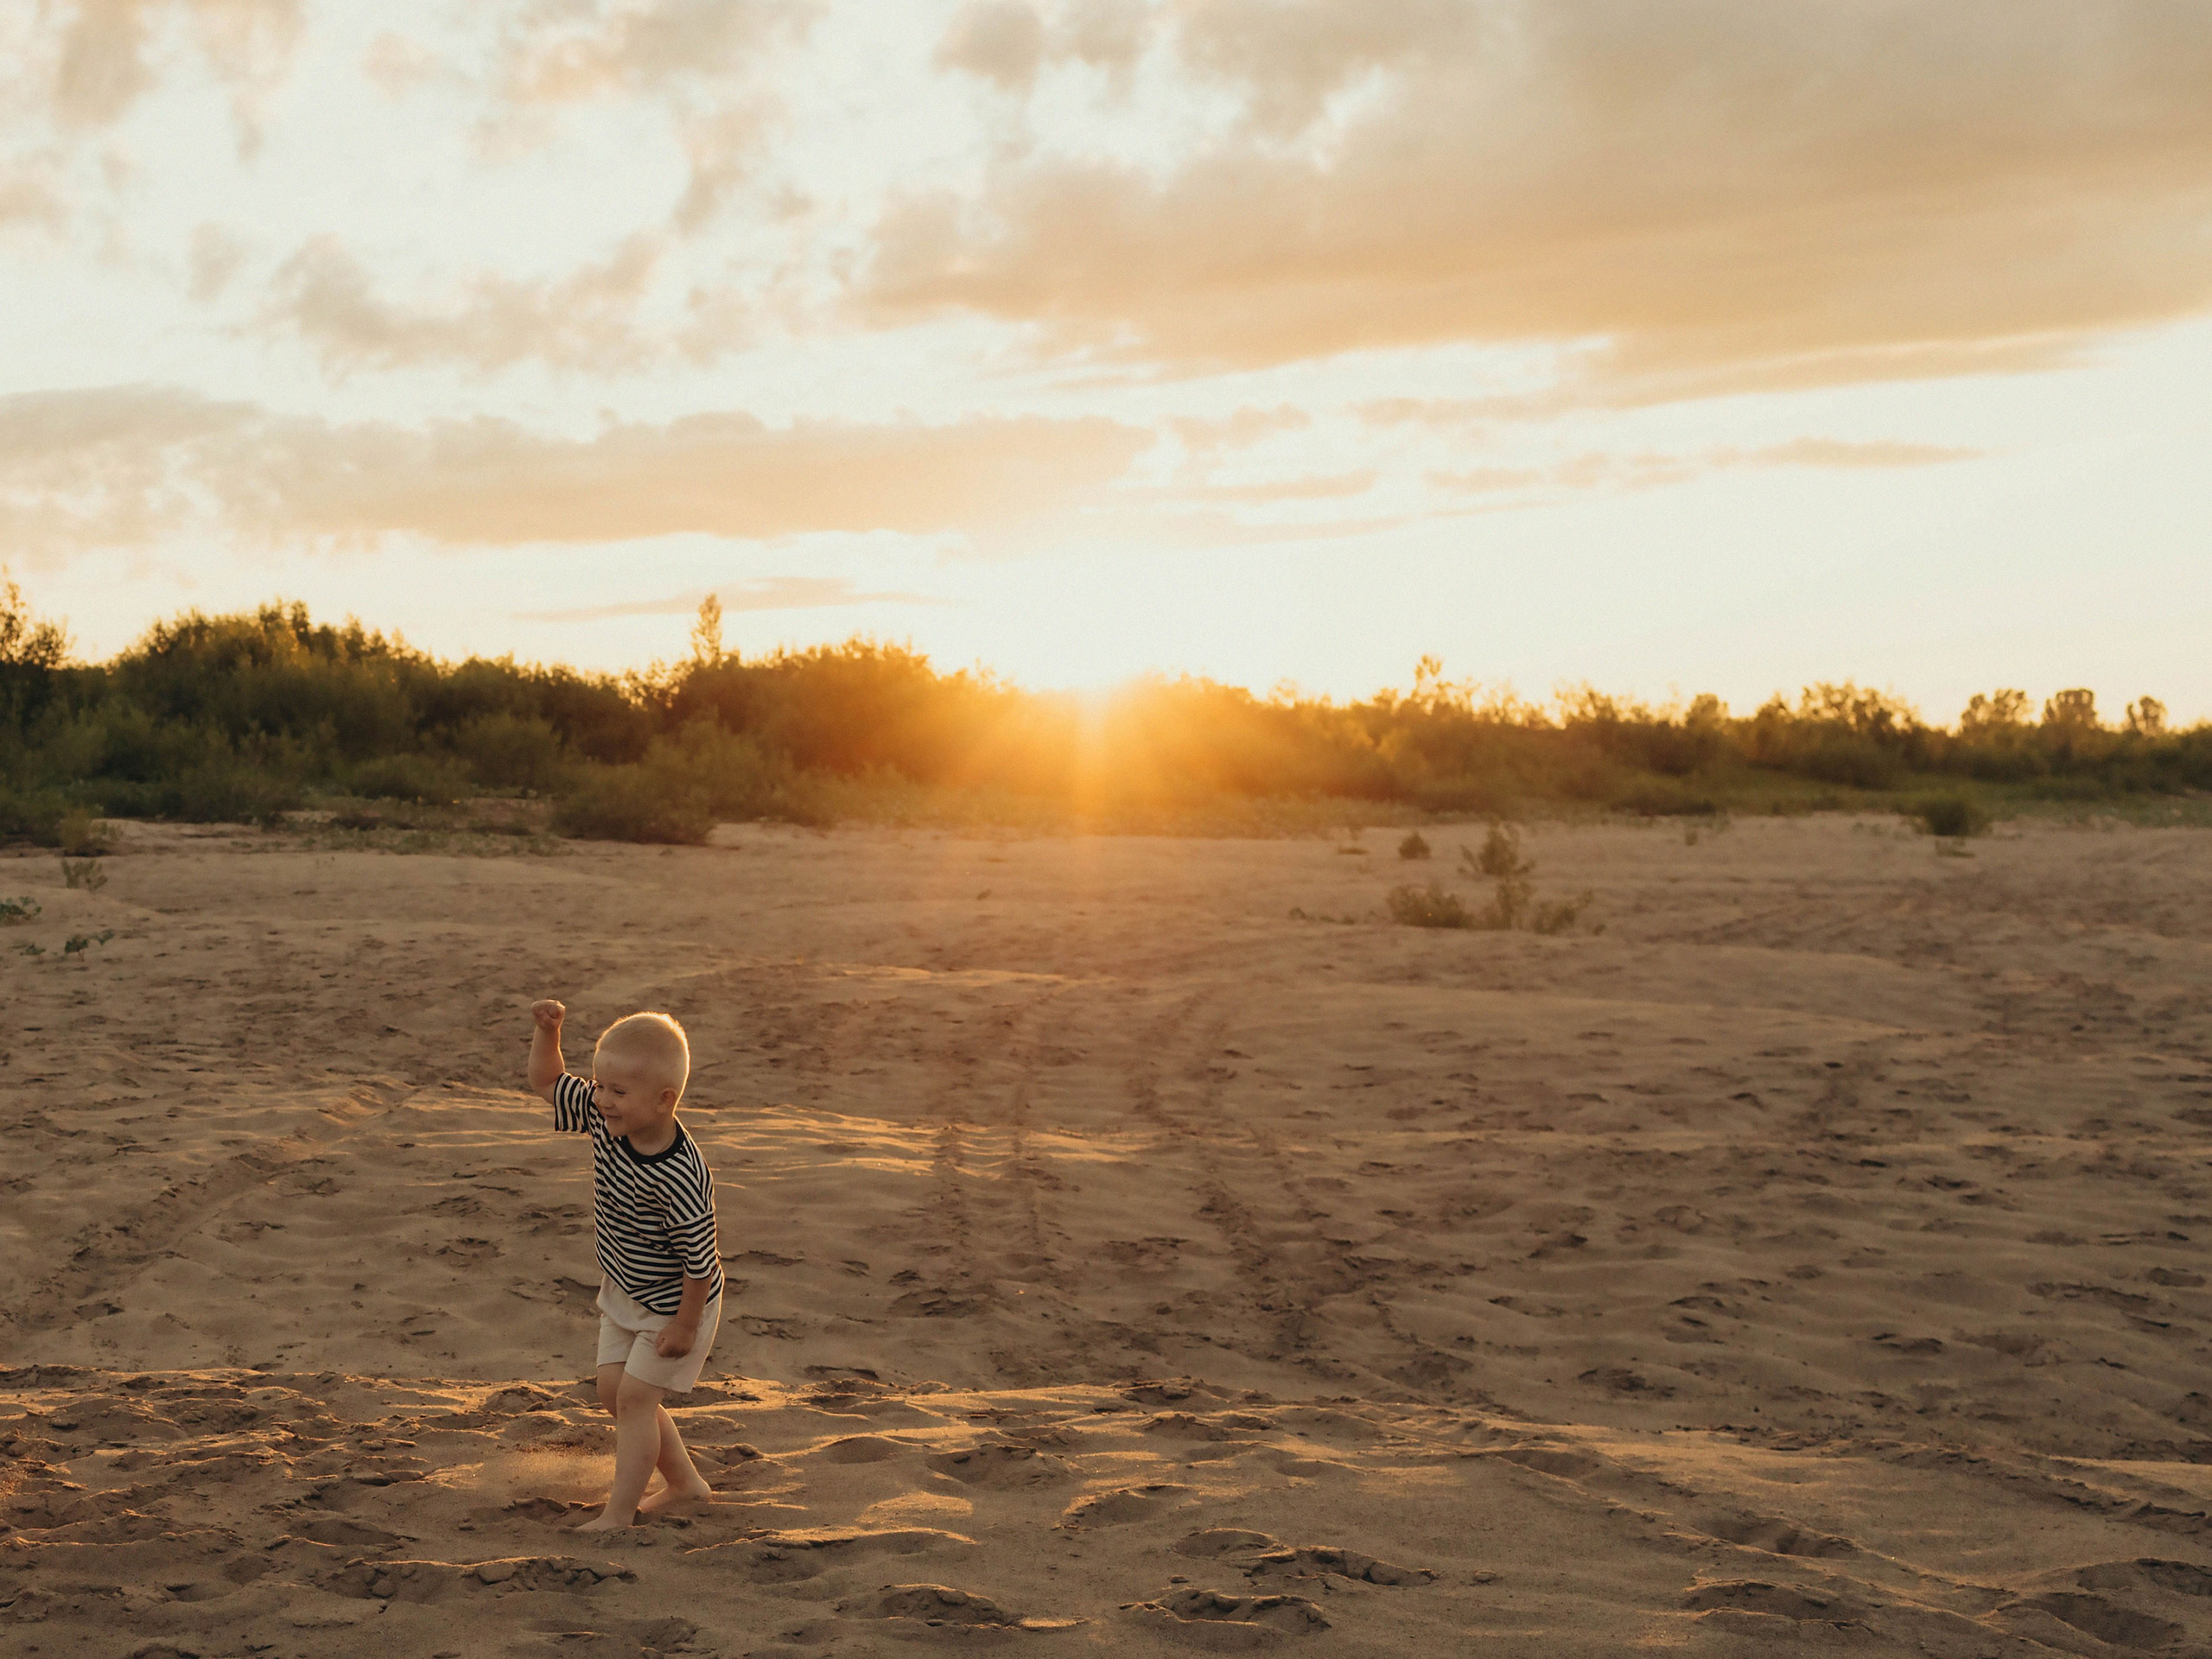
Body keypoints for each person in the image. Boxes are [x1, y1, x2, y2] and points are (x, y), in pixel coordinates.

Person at [526, 998, 721, 1529]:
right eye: (599, 1085)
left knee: (636, 1399)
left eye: (618, 1091)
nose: (603, 1100)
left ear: (664, 1100)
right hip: (625, 1285)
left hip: (675, 1300)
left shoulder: (679, 1175)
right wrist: (549, 1032)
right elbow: (547, 1082)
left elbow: (701, 1262)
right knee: (613, 1394)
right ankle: (686, 1484)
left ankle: (619, 1513)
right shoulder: (601, 1114)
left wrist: (686, 1324)